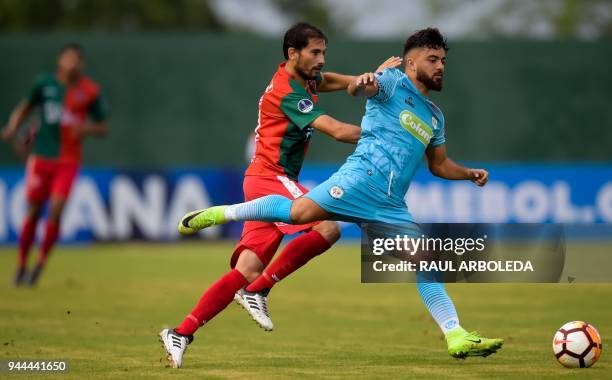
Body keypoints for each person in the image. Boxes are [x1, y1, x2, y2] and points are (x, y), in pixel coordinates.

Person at [179, 28, 504, 359]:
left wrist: (467, 174)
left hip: (390, 205)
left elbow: (439, 165)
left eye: (443, 61)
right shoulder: (392, 82)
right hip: (359, 180)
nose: (440, 67)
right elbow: (363, 87)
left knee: (425, 262)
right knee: (298, 214)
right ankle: (224, 213)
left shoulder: (435, 117)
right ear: (410, 62)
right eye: (432, 59)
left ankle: (456, 334)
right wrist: (366, 82)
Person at [159, 22, 400, 368]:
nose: (320, 59)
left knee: (246, 268)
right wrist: (386, 137)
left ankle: (181, 333)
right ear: (293, 54)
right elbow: (334, 129)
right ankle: (258, 289)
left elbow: (336, 81)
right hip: (271, 178)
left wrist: (369, 77)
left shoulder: (306, 77)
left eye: (323, 53)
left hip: (262, 178)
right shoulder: (287, 91)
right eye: (315, 53)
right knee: (328, 228)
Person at [1, 43, 108, 286]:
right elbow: (24, 108)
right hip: (41, 158)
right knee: (34, 210)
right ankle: (20, 266)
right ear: (60, 60)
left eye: (76, 60)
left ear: (81, 64)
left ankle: (39, 265)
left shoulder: (89, 91)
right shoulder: (44, 84)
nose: (71, 64)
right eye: (68, 59)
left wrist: (87, 128)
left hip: (68, 161)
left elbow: (103, 126)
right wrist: (13, 126)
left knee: (57, 210)